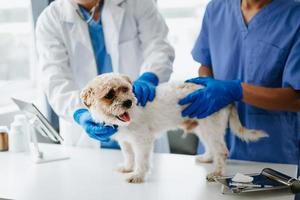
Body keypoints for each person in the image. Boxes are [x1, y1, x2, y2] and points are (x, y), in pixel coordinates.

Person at [36, 0, 174, 148]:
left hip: (139, 116)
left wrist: (150, 76)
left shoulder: (136, 3)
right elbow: (56, 81)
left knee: (143, 166)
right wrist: (80, 113)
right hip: (86, 140)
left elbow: (158, 47)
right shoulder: (51, 18)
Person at [179, 0, 300, 166]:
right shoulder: (216, 9)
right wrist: (208, 87)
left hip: (270, 154)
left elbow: (296, 99)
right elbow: (206, 63)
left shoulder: (295, 17)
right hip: (214, 149)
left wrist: (237, 90)